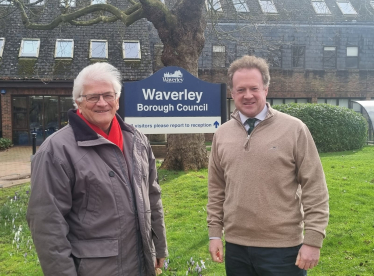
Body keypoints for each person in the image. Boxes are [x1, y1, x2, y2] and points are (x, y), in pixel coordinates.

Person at [27, 62, 168, 276]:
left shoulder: (137, 140)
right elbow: (48, 224)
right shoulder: (56, 151)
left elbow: (152, 195)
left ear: (117, 100)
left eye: (108, 95)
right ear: (78, 103)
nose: (102, 103)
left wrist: (158, 245)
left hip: (141, 264)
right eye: (92, 97)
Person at [207, 55, 329, 275]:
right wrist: (215, 234)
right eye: (240, 90)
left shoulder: (294, 129)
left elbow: (315, 187)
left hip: (283, 250)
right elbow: (216, 189)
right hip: (236, 248)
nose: (248, 95)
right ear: (232, 93)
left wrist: (313, 239)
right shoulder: (222, 134)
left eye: (254, 88)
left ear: (266, 89)